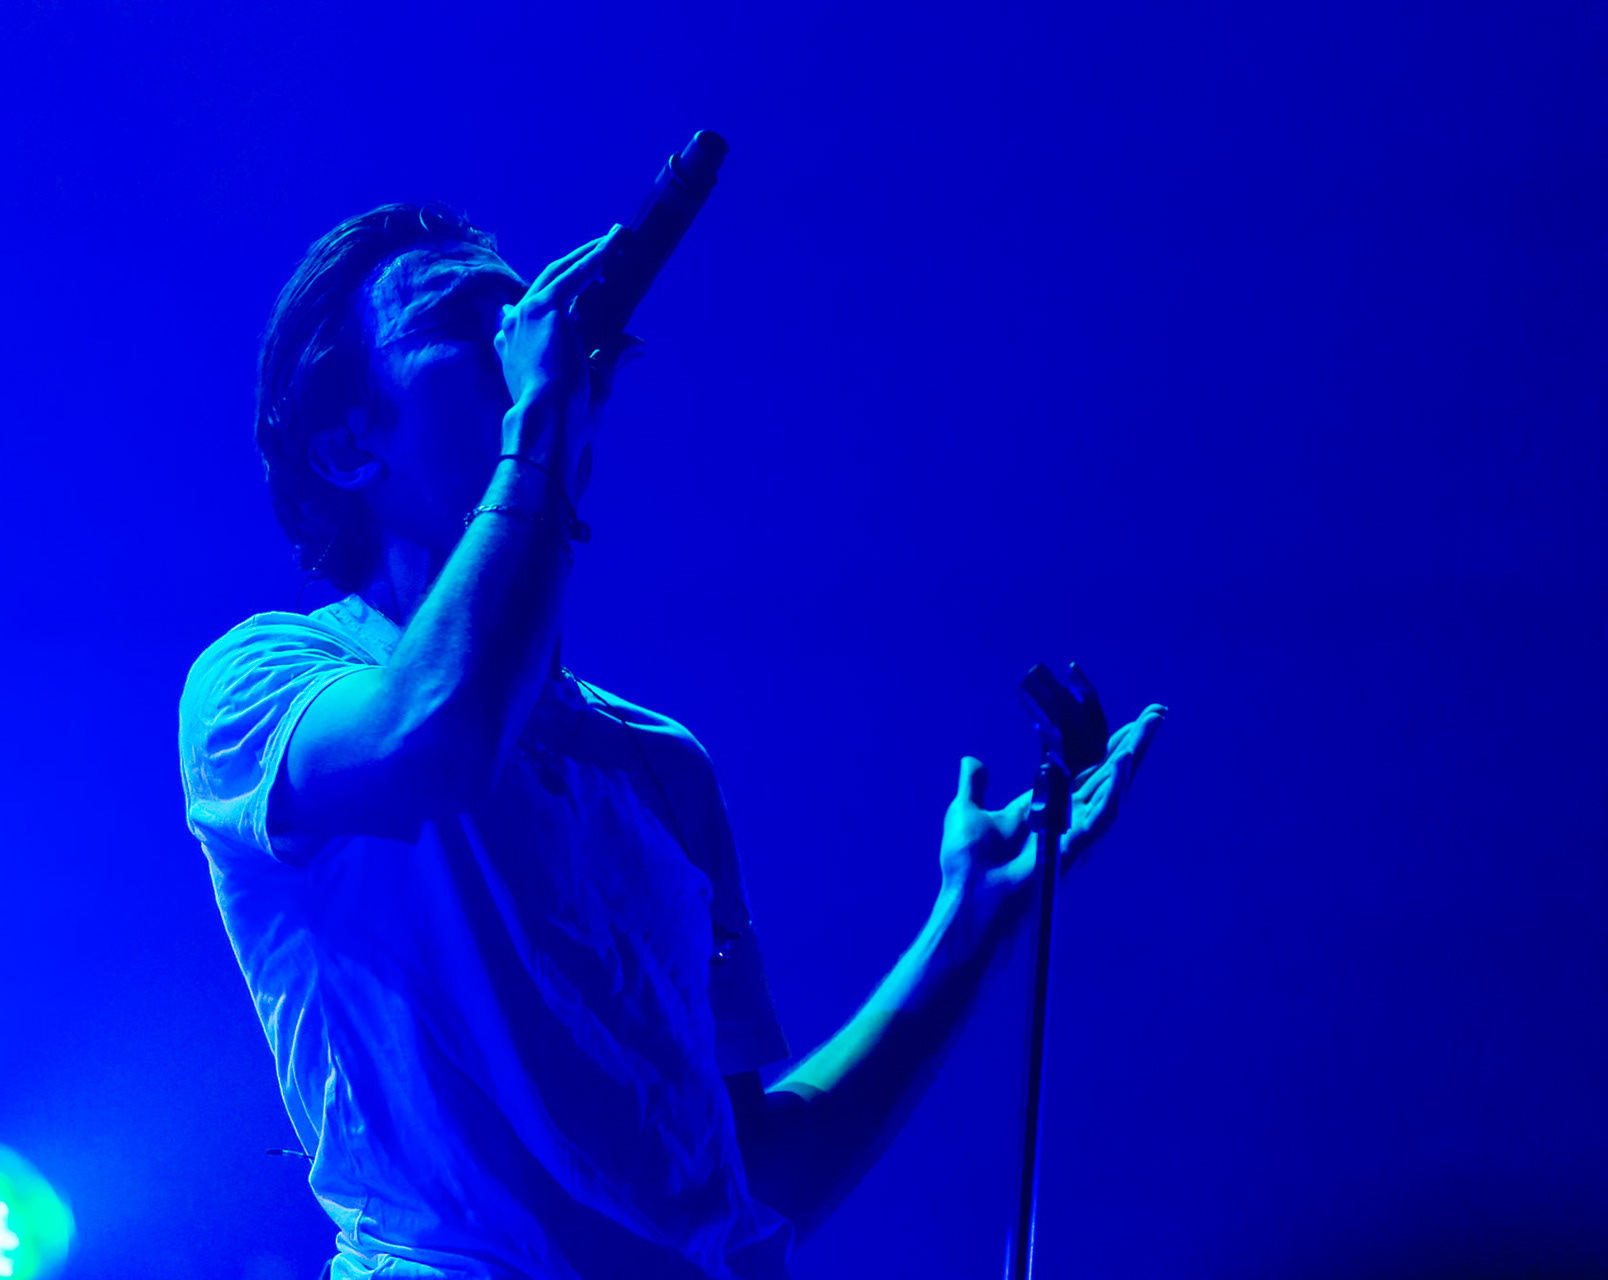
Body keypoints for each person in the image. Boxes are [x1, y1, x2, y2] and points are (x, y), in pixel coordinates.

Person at [177, 202, 1165, 1280]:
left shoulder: (662, 765)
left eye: (528, 311)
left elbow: (748, 1183)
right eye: (469, 322)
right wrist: (543, 411)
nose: (525, 327)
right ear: (348, 444)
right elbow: (443, 736)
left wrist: (975, 916)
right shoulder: (262, 684)